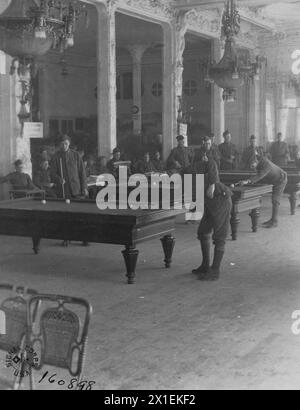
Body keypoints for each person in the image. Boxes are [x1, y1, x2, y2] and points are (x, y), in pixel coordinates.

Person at [192, 136, 232, 281]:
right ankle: (205, 265)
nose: (202, 157)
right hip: (210, 205)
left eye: (204, 154)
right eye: (200, 155)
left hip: (221, 202)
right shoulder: (196, 167)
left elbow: (210, 188)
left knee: (219, 238)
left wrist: (211, 183)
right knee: (202, 232)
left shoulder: (211, 164)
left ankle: (215, 271)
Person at [238, 149, 287, 228]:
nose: (251, 166)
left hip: (280, 179)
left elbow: (260, 175)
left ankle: (274, 221)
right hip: (272, 179)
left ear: (256, 160)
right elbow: (259, 175)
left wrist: (247, 181)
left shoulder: (266, 164)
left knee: (275, 200)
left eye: (252, 164)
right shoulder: (260, 162)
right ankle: (271, 220)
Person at [50, 135, 88, 199]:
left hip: (77, 189)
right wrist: (59, 179)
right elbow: (52, 173)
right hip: (63, 190)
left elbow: (82, 172)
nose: (64, 146)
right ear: (59, 144)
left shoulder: (76, 155)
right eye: (62, 144)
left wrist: (84, 187)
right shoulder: (55, 157)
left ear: (69, 143)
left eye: (66, 144)